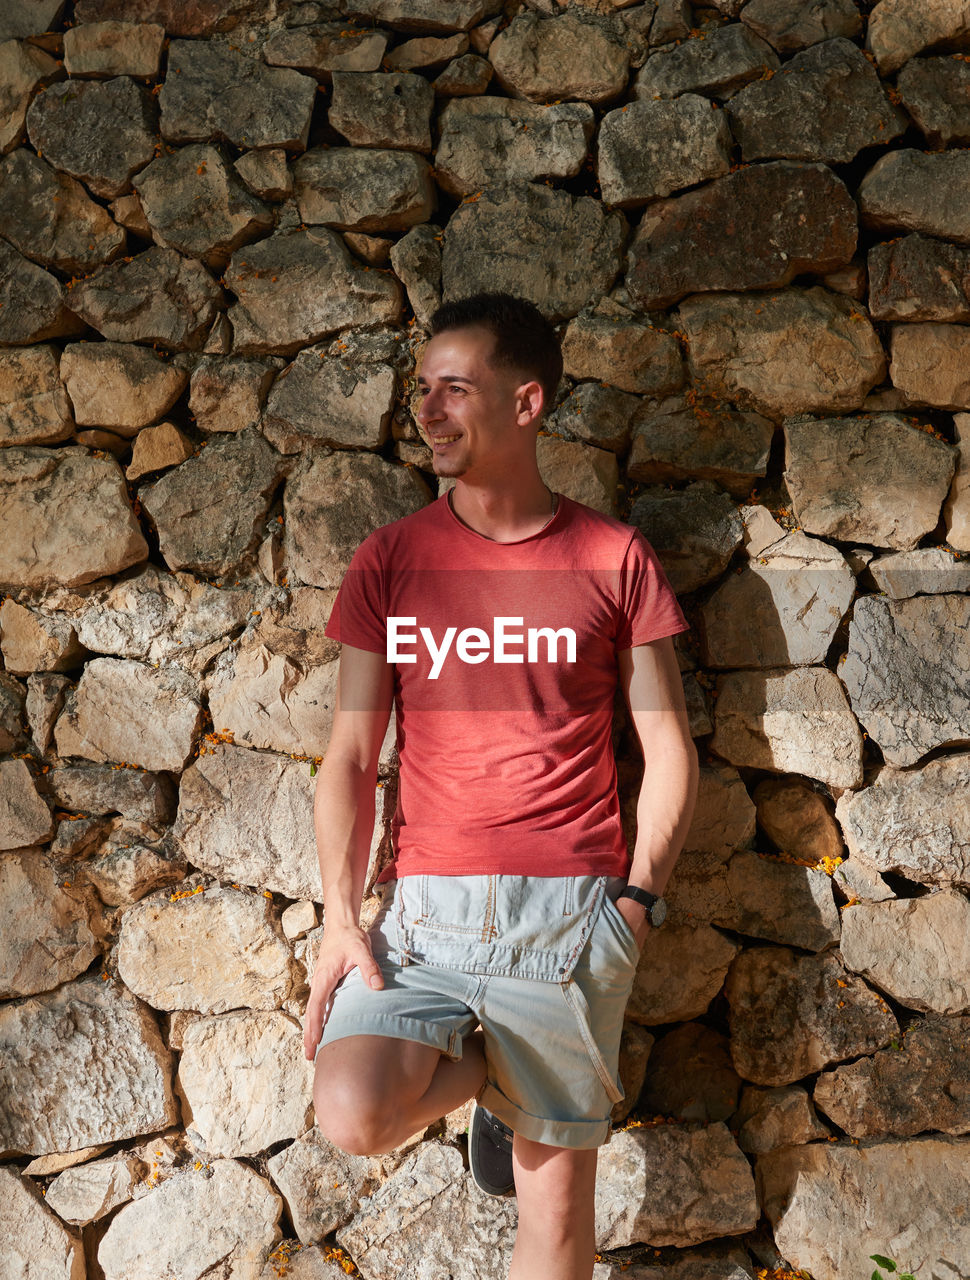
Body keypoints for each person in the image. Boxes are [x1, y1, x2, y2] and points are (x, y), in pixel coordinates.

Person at [301, 292, 698, 1280]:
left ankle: (518, 1095)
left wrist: (637, 901)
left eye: (453, 390)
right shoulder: (391, 560)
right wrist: (340, 918)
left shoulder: (612, 556)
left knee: (555, 1219)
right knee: (352, 1108)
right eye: (421, 390)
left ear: (526, 404)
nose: (428, 411)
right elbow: (351, 755)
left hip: (569, 924)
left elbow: (667, 745)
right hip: (426, 919)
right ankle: (498, 1085)